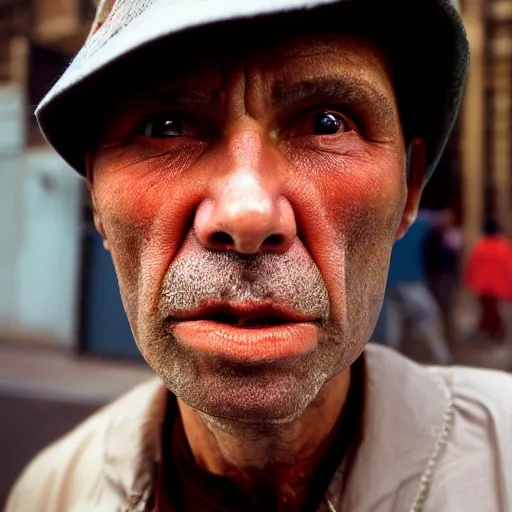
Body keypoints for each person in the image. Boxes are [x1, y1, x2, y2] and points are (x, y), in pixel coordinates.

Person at [6, 0, 512, 511]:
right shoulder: (50, 494)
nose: (246, 216)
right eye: (166, 126)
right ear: (96, 194)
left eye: (327, 123)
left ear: (408, 188)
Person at [382, 211, 452, 364]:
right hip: (410, 280)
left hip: (389, 282)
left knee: (392, 327)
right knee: (430, 315)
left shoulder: (385, 220)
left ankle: (392, 364)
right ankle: (443, 358)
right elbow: (442, 219)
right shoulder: (416, 221)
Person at [464, 218, 512, 342]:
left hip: (482, 285)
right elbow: (508, 267)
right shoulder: (503, 246)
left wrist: (469, 282)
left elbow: (472, 266)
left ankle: (491, 331)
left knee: (488, 310)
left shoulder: (480, 246)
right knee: (492, 311)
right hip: (498, 286)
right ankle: (495, 332)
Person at [423, 208, 462, 347]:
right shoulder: (434, 236)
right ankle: (442, 340)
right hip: (438, 278)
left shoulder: (451, 234)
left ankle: (449, 338)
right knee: (438, 310)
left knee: (447, 309)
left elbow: (454, 259)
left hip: (446, 277)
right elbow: (433, 258)